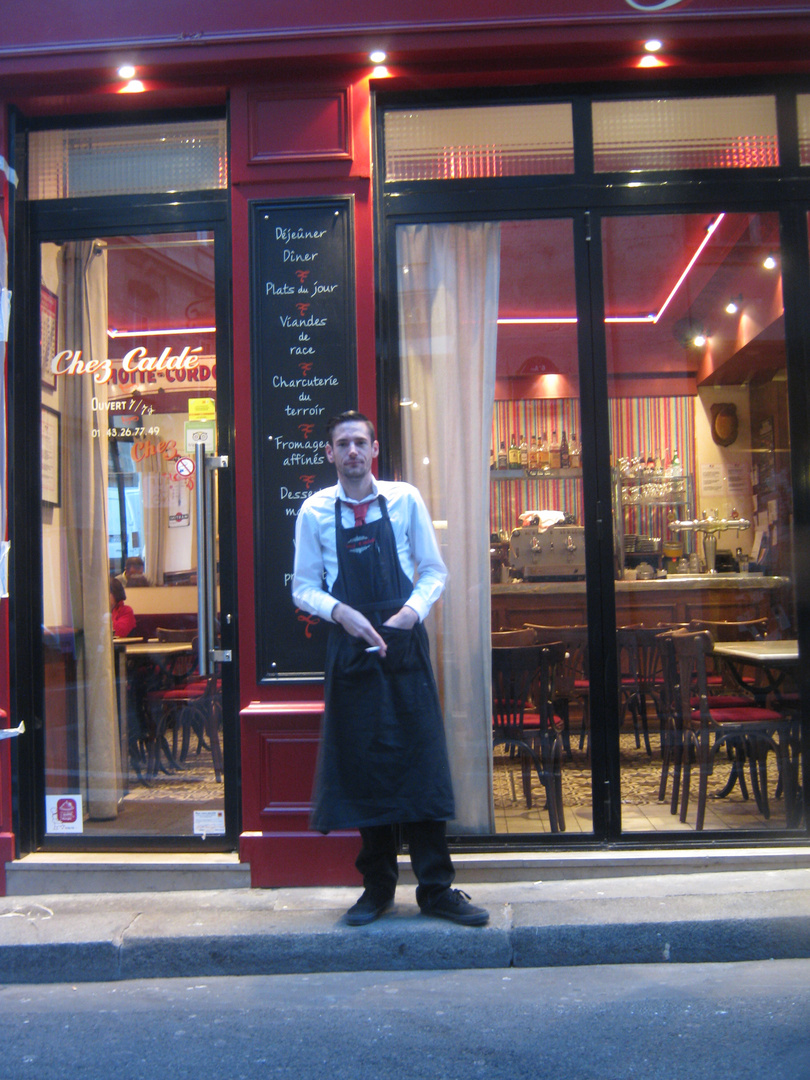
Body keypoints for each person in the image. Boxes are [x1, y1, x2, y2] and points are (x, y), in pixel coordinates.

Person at [292, 410, 489, 927]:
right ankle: (377, 888)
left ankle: (436, 889)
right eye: (343, 444)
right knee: (364, 766)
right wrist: (343, 613)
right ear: (330, 454)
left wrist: (409, 614)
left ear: (374, 451)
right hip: (351, 649)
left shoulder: (404, 500)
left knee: (420, 762)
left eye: (361, 442)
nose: (352, 451)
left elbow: (434, 571)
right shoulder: (314, 511)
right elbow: (303, 587)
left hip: (404, 646)